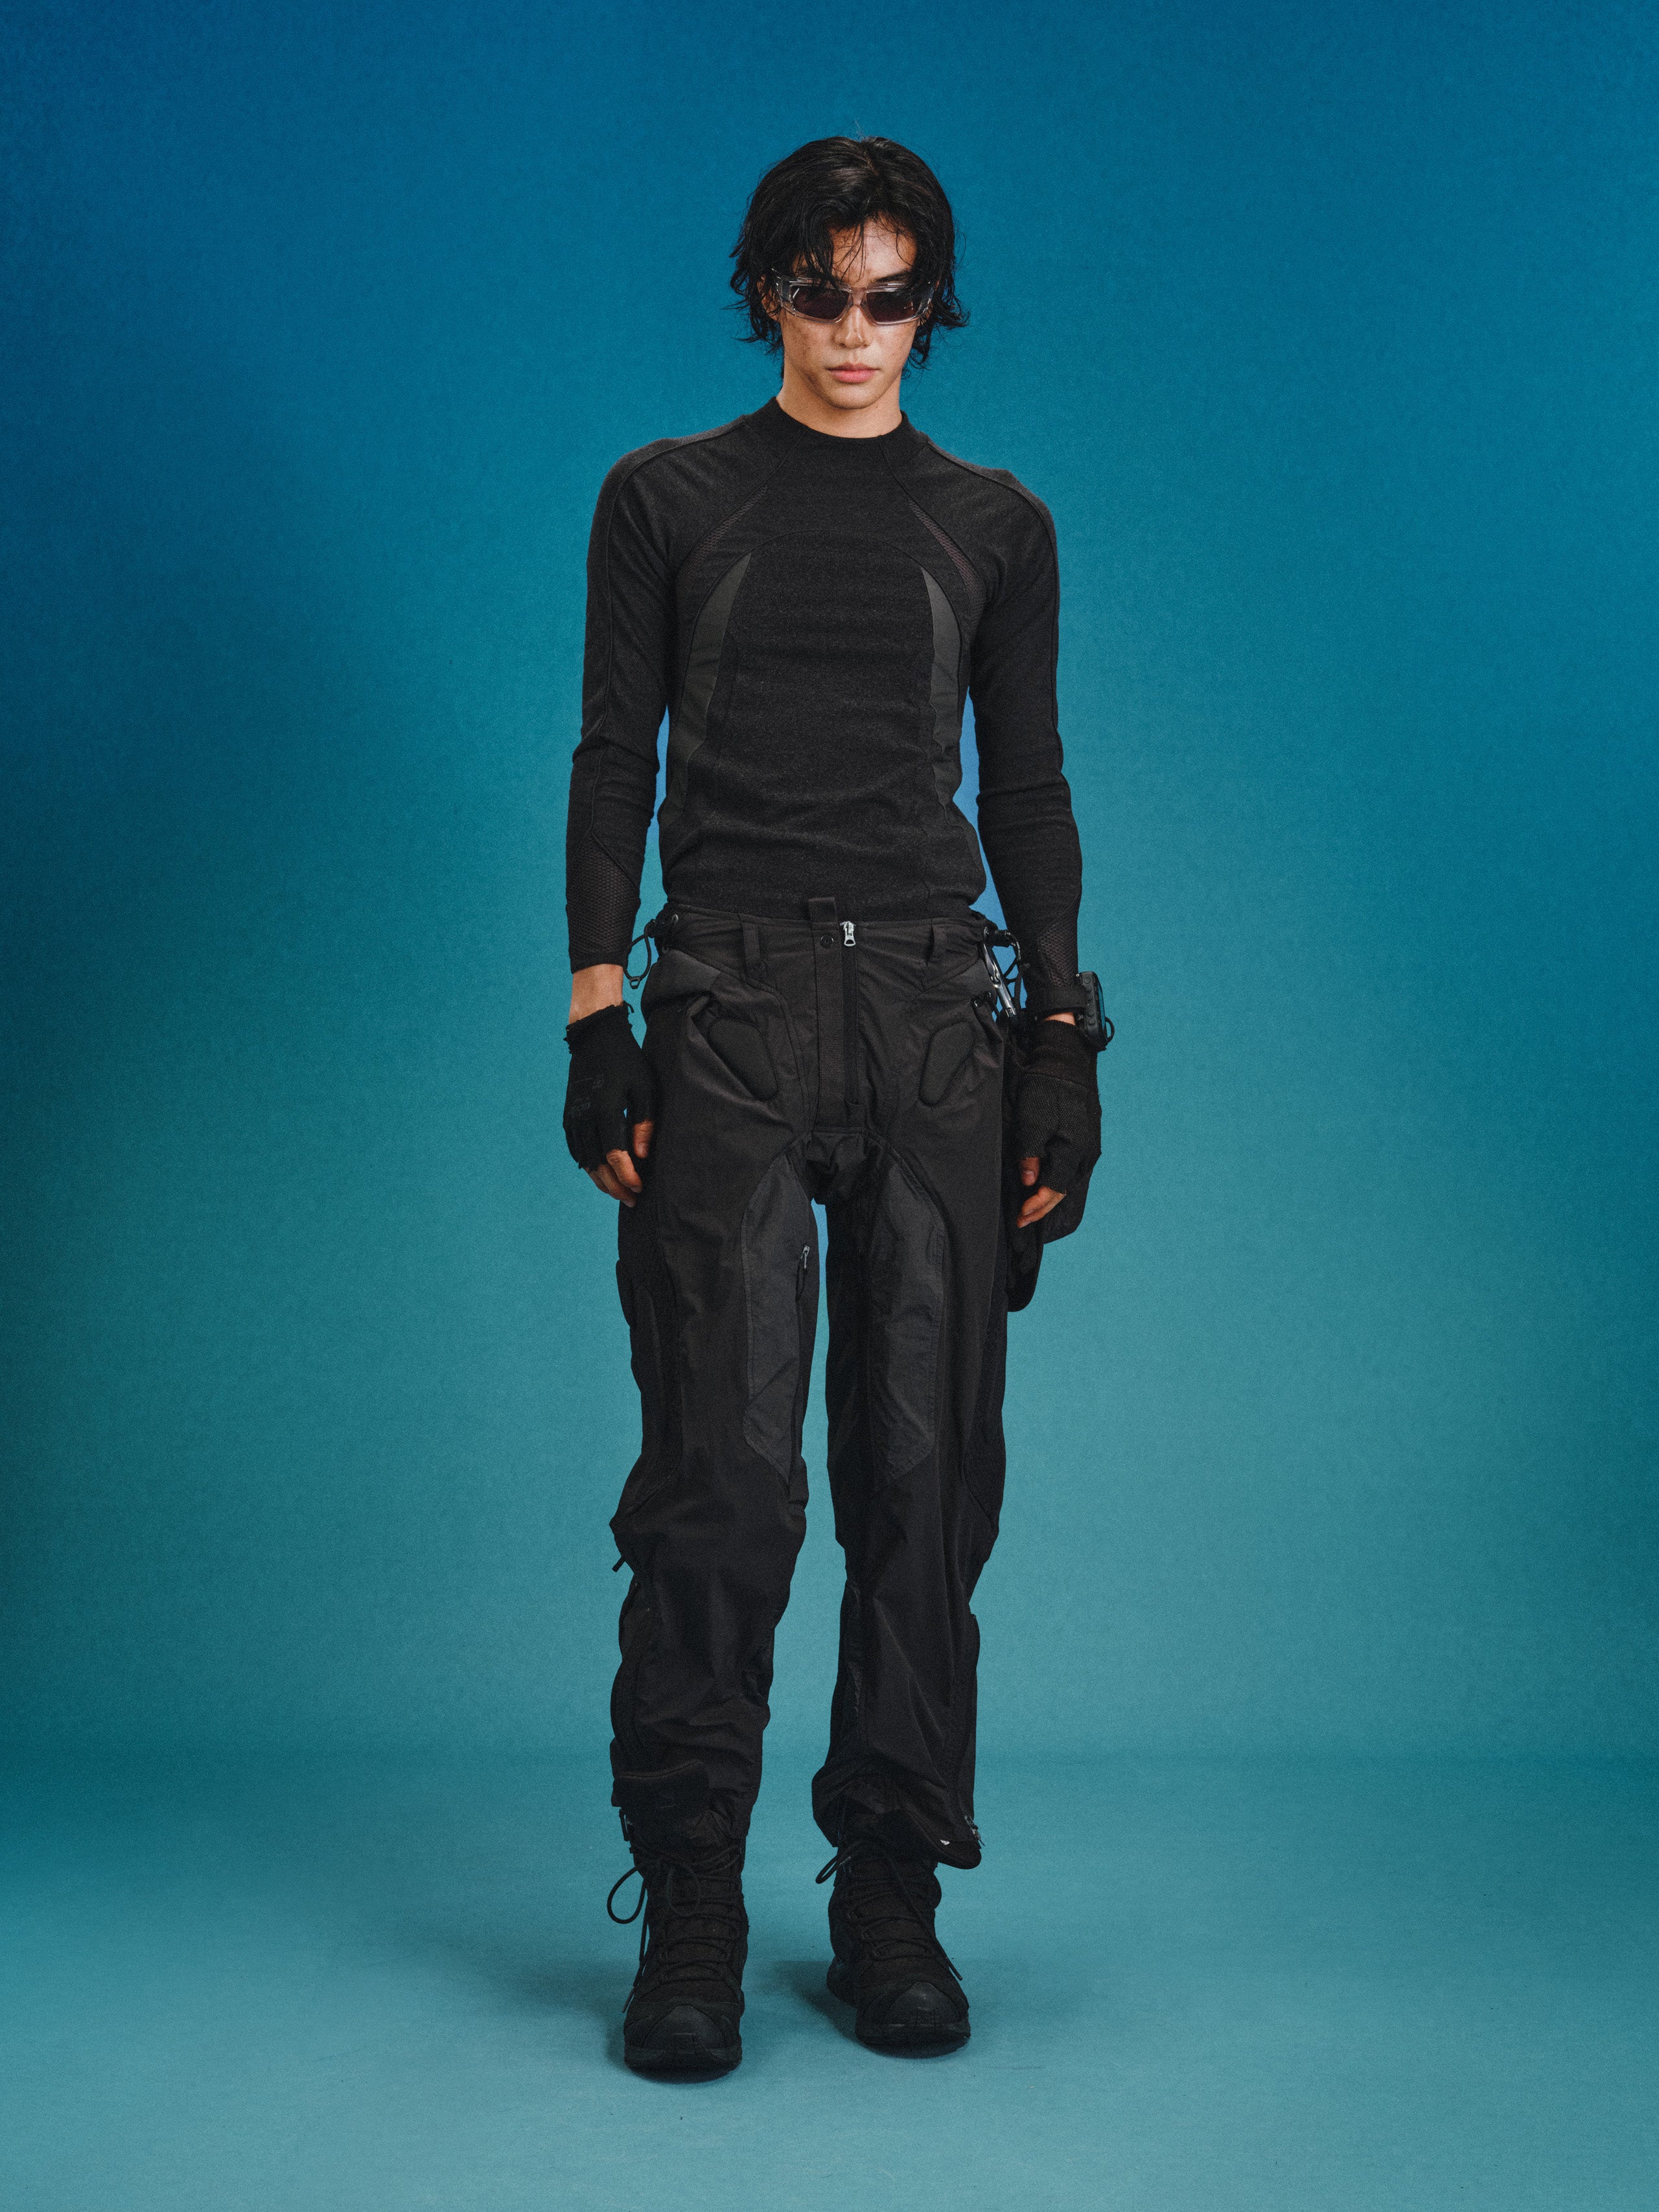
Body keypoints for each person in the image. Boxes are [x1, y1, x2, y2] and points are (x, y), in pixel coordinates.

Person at [562, 135, 1102, 2075]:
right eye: (819, 291)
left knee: (922, 1477)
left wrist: (1066, 1039)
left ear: (932, 307)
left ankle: (890, 1891)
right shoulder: (668, 499)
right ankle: (694, 1899)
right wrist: (596, 1011)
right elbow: (614, 754)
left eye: (890, 296)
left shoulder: (996, 527)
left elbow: (1024, 783)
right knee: (721, 1474)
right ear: (764, 294)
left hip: (942, 1018)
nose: (855, 330)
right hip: (728, 1003)